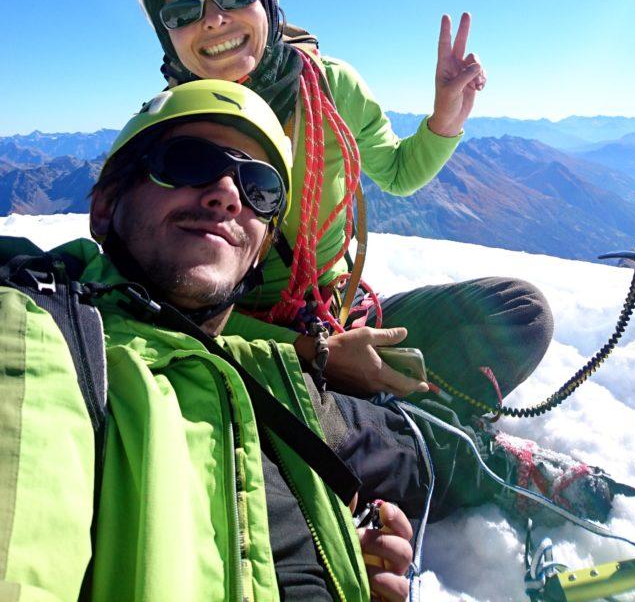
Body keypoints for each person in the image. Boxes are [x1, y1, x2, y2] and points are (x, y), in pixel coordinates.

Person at [0, 80, 419, 602]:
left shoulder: (271, 373)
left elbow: (418, 458)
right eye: (188, 160)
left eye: (259, 188)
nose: (226, 193)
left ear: (263, 246)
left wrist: (335, 564)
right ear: (105, 206)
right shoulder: (46, 335)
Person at [136, 0, 553, 410]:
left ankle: (391, 430)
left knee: (521, 312)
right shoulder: (165, 138)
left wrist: (444, 119)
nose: (212, 18)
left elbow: (398, 174)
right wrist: (315, 355)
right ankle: (400, 435)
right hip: (244, 345)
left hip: (336, 312)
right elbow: (171, 310)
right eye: (182, 11)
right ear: (168, 37)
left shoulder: (330, 86)